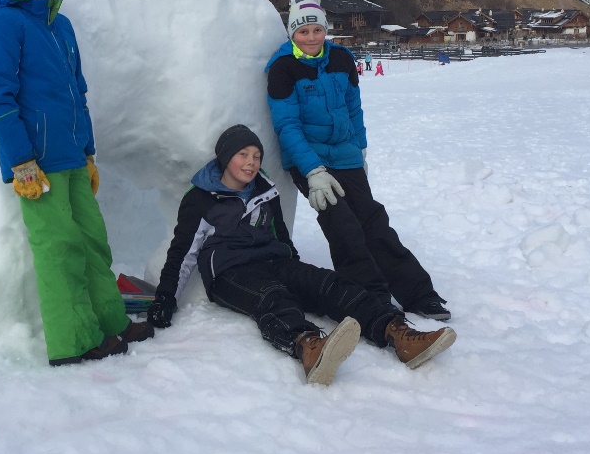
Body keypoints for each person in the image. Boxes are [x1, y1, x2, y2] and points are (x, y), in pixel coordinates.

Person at [147, 125, 456, 384]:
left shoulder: (263, 189)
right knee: (272, 296)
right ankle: (309, 346)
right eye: (243, 155)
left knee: (328, 283)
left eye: (256, 156)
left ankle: (398, 332)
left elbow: (280, 233)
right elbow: (182, 253)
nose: (251, 162)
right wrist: (165, 298)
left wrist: (298, 271)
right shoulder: (201, 199)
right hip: (230, 273)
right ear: (226, 158)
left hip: (274, 260)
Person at [0, 0, 153, 366]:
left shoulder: (60, 24)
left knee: (93, 243)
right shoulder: (3, 24)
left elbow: (78, 92)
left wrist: (89, 151)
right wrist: (20, 160)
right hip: (36, 163)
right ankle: (74, 339)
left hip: (72, 156)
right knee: (59, 250)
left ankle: (109, 322)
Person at [266, 0, 451, 320]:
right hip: (309, 161)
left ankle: (418, 293)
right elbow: (287, 126)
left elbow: (354, 109)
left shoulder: (341, 58)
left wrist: (360, 149)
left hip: (346, 156)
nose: (311, 37)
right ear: (291, 33)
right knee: (343, 227)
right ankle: (371, 298)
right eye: (303, 31)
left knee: (373, 221)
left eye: (316, 29)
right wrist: (312, 172)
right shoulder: (282, 68)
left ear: (325, 29)